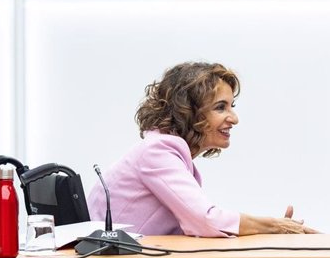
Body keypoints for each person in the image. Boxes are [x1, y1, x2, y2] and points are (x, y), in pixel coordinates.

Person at [87, 61, 316, 236]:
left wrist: (274, 231)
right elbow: (207, 221)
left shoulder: (169, 154)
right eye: (220, 107)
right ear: (189, 112)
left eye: (231, 106)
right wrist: (275, 227)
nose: (234, 118)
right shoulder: (157, 151)